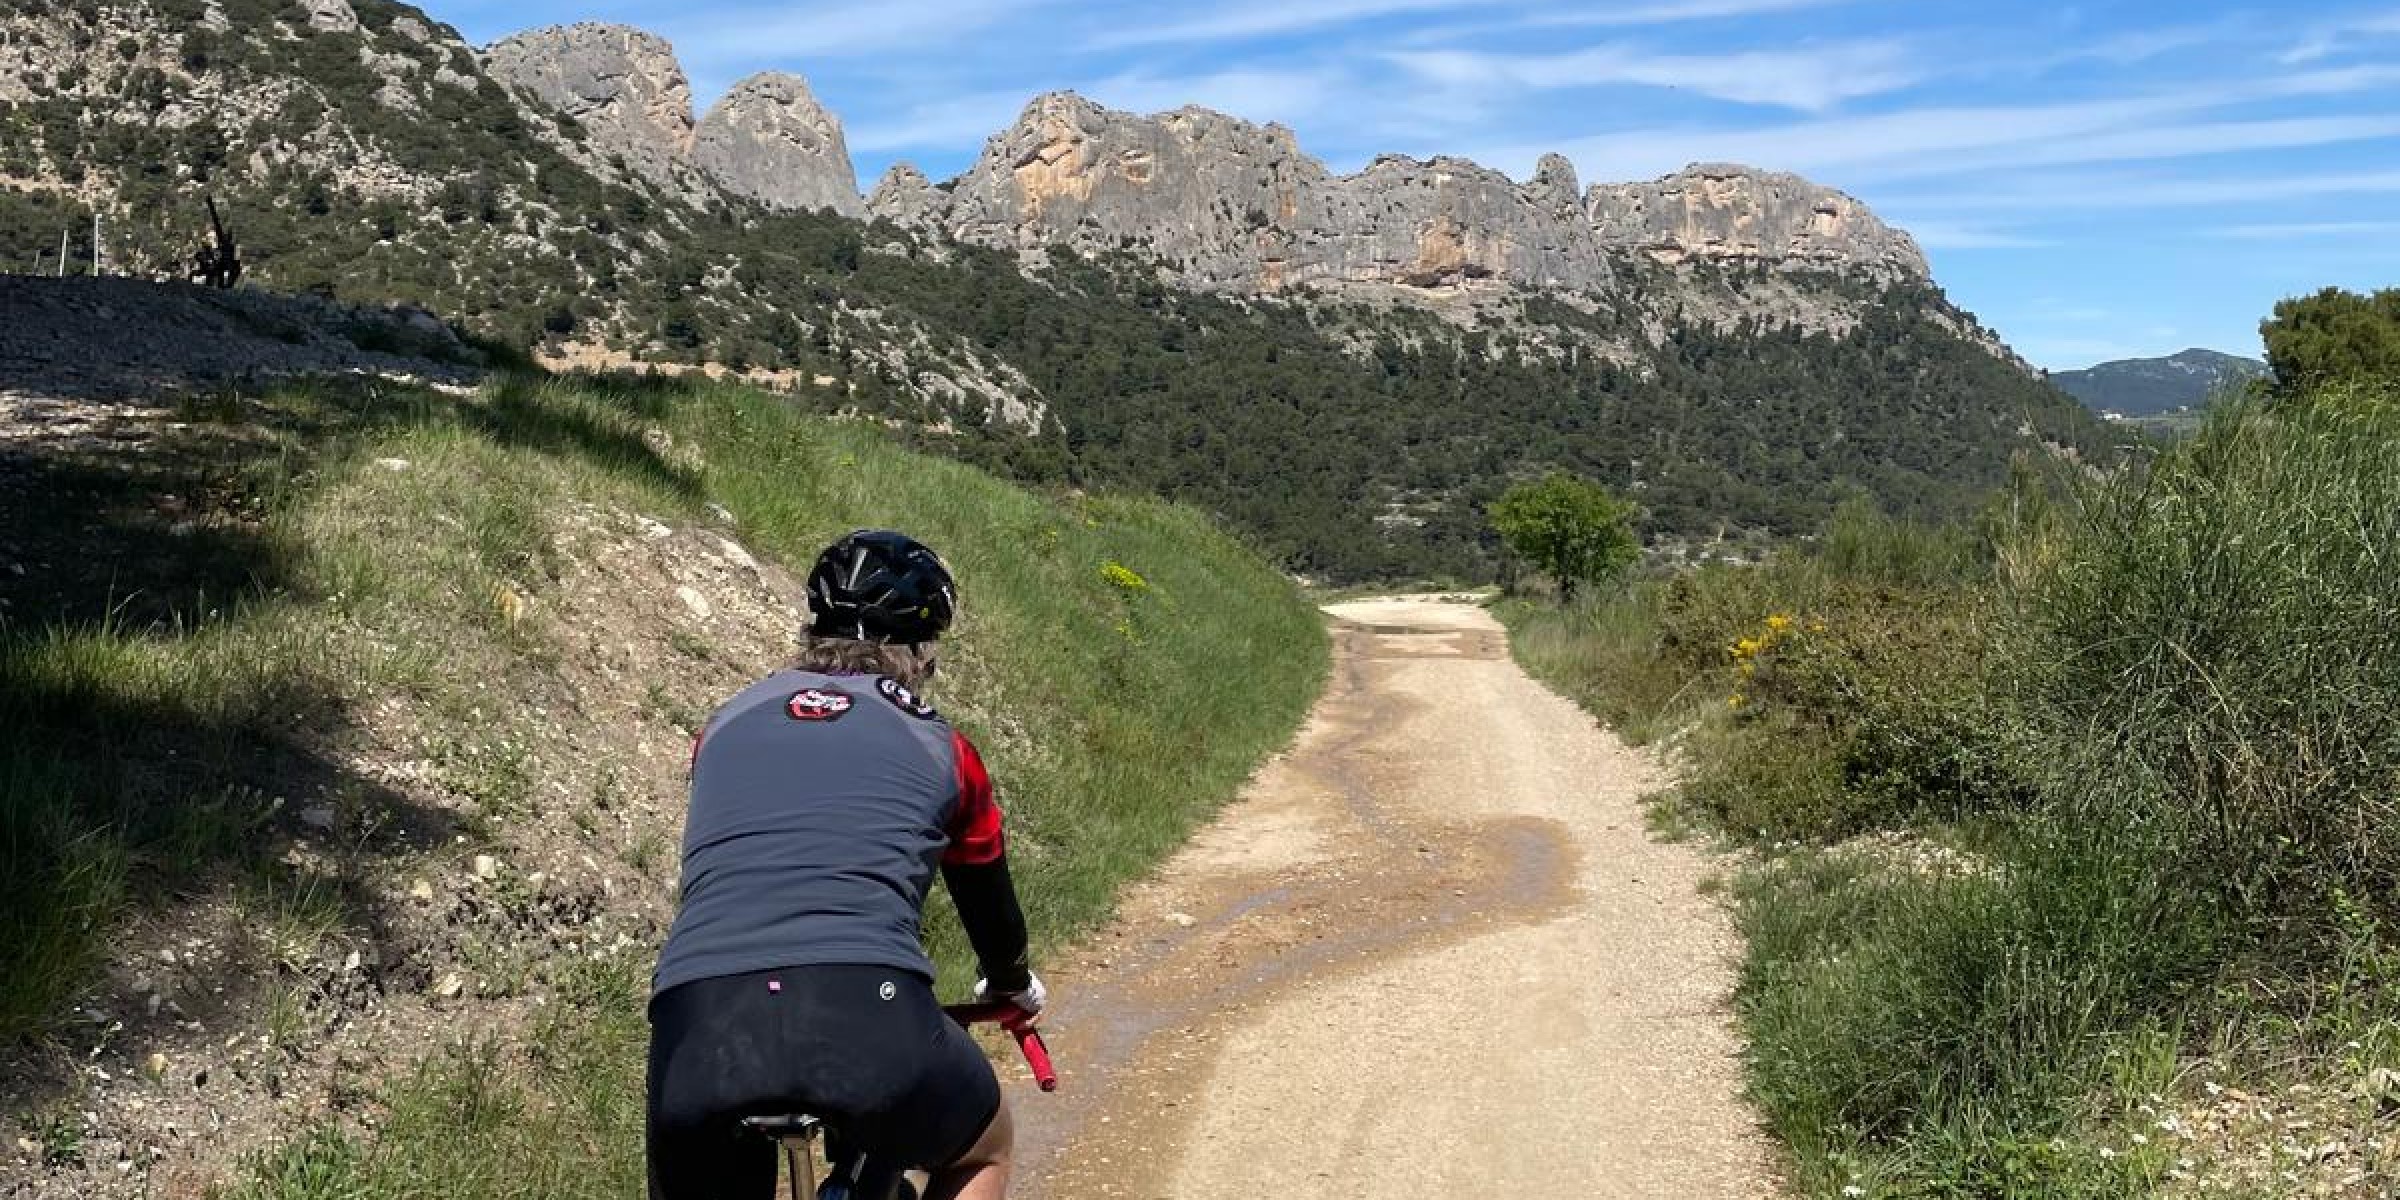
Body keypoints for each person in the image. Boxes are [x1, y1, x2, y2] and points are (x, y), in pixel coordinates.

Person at [646, 529, 1045, 1200]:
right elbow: (991, 911)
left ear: (811, 631)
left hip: (698, 1019)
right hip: (865, 1009)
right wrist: (1010, 984)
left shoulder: (722, 725)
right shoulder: (945, 750)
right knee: (985, 1147)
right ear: (918, 654)